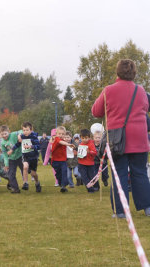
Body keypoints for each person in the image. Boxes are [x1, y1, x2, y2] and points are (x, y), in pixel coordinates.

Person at [92, 59, 150, 217]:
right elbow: (146, 107)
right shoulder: (141, 90)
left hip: (118, 140)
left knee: (120, 174)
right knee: (140, 173)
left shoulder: (108, 90)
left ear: (117, 72)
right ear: (134, 72)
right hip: (140, 138)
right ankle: (147, 207)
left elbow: (96, 111)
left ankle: (120, 211)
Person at [12, 122, 42, 192]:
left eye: (27, 130)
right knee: (25, 167)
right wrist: (12, 149)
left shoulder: (34, 137)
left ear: (31, 130)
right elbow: (18, 144)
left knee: (33, 174)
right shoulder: (22, 136)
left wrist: (31, 146)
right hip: (25, 156)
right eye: (24, 130)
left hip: (33, 157)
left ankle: (37, 183)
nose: (25, 132)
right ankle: (25, 183)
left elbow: (38, 146)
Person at [0, 125, 23, 193]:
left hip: (20, 156)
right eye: (2, 134)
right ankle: (16, 189)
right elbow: (5, 154)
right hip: (12, 159)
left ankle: (33, 179)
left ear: (9, 132)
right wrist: (6, 164)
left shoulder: (13, 134)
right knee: (10, 174)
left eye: (5, 133)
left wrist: (19, 135)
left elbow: (21, 130)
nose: (4, 135)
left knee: (26, 170)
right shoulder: (2, 143)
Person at [51, 126, 75, 193]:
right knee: (58, 174)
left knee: (64, 172)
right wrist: (68, 144)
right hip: (55, 161)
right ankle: (61, 182)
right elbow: (61, 142)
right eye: (59, 134)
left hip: (63, 161)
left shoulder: (63, 141)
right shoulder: (57, 139)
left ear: (64, 134)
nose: (61, 135)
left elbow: (64, 143)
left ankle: (63, 186)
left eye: (62, 134)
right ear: (56, 134)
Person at [77, 129, 97, 193]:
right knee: (84, 177)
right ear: (80, 137)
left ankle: (96, 186)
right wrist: (76, 153)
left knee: (92, 177)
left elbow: (94, 152)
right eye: (83, 138)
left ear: (89, 137)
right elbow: (79, 154)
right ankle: (90, 188)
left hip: (90, 164)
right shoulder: (80, 144)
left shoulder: (91, 144)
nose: (85, 139)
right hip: (81, 164)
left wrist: (89, 152)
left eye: (86, 138)